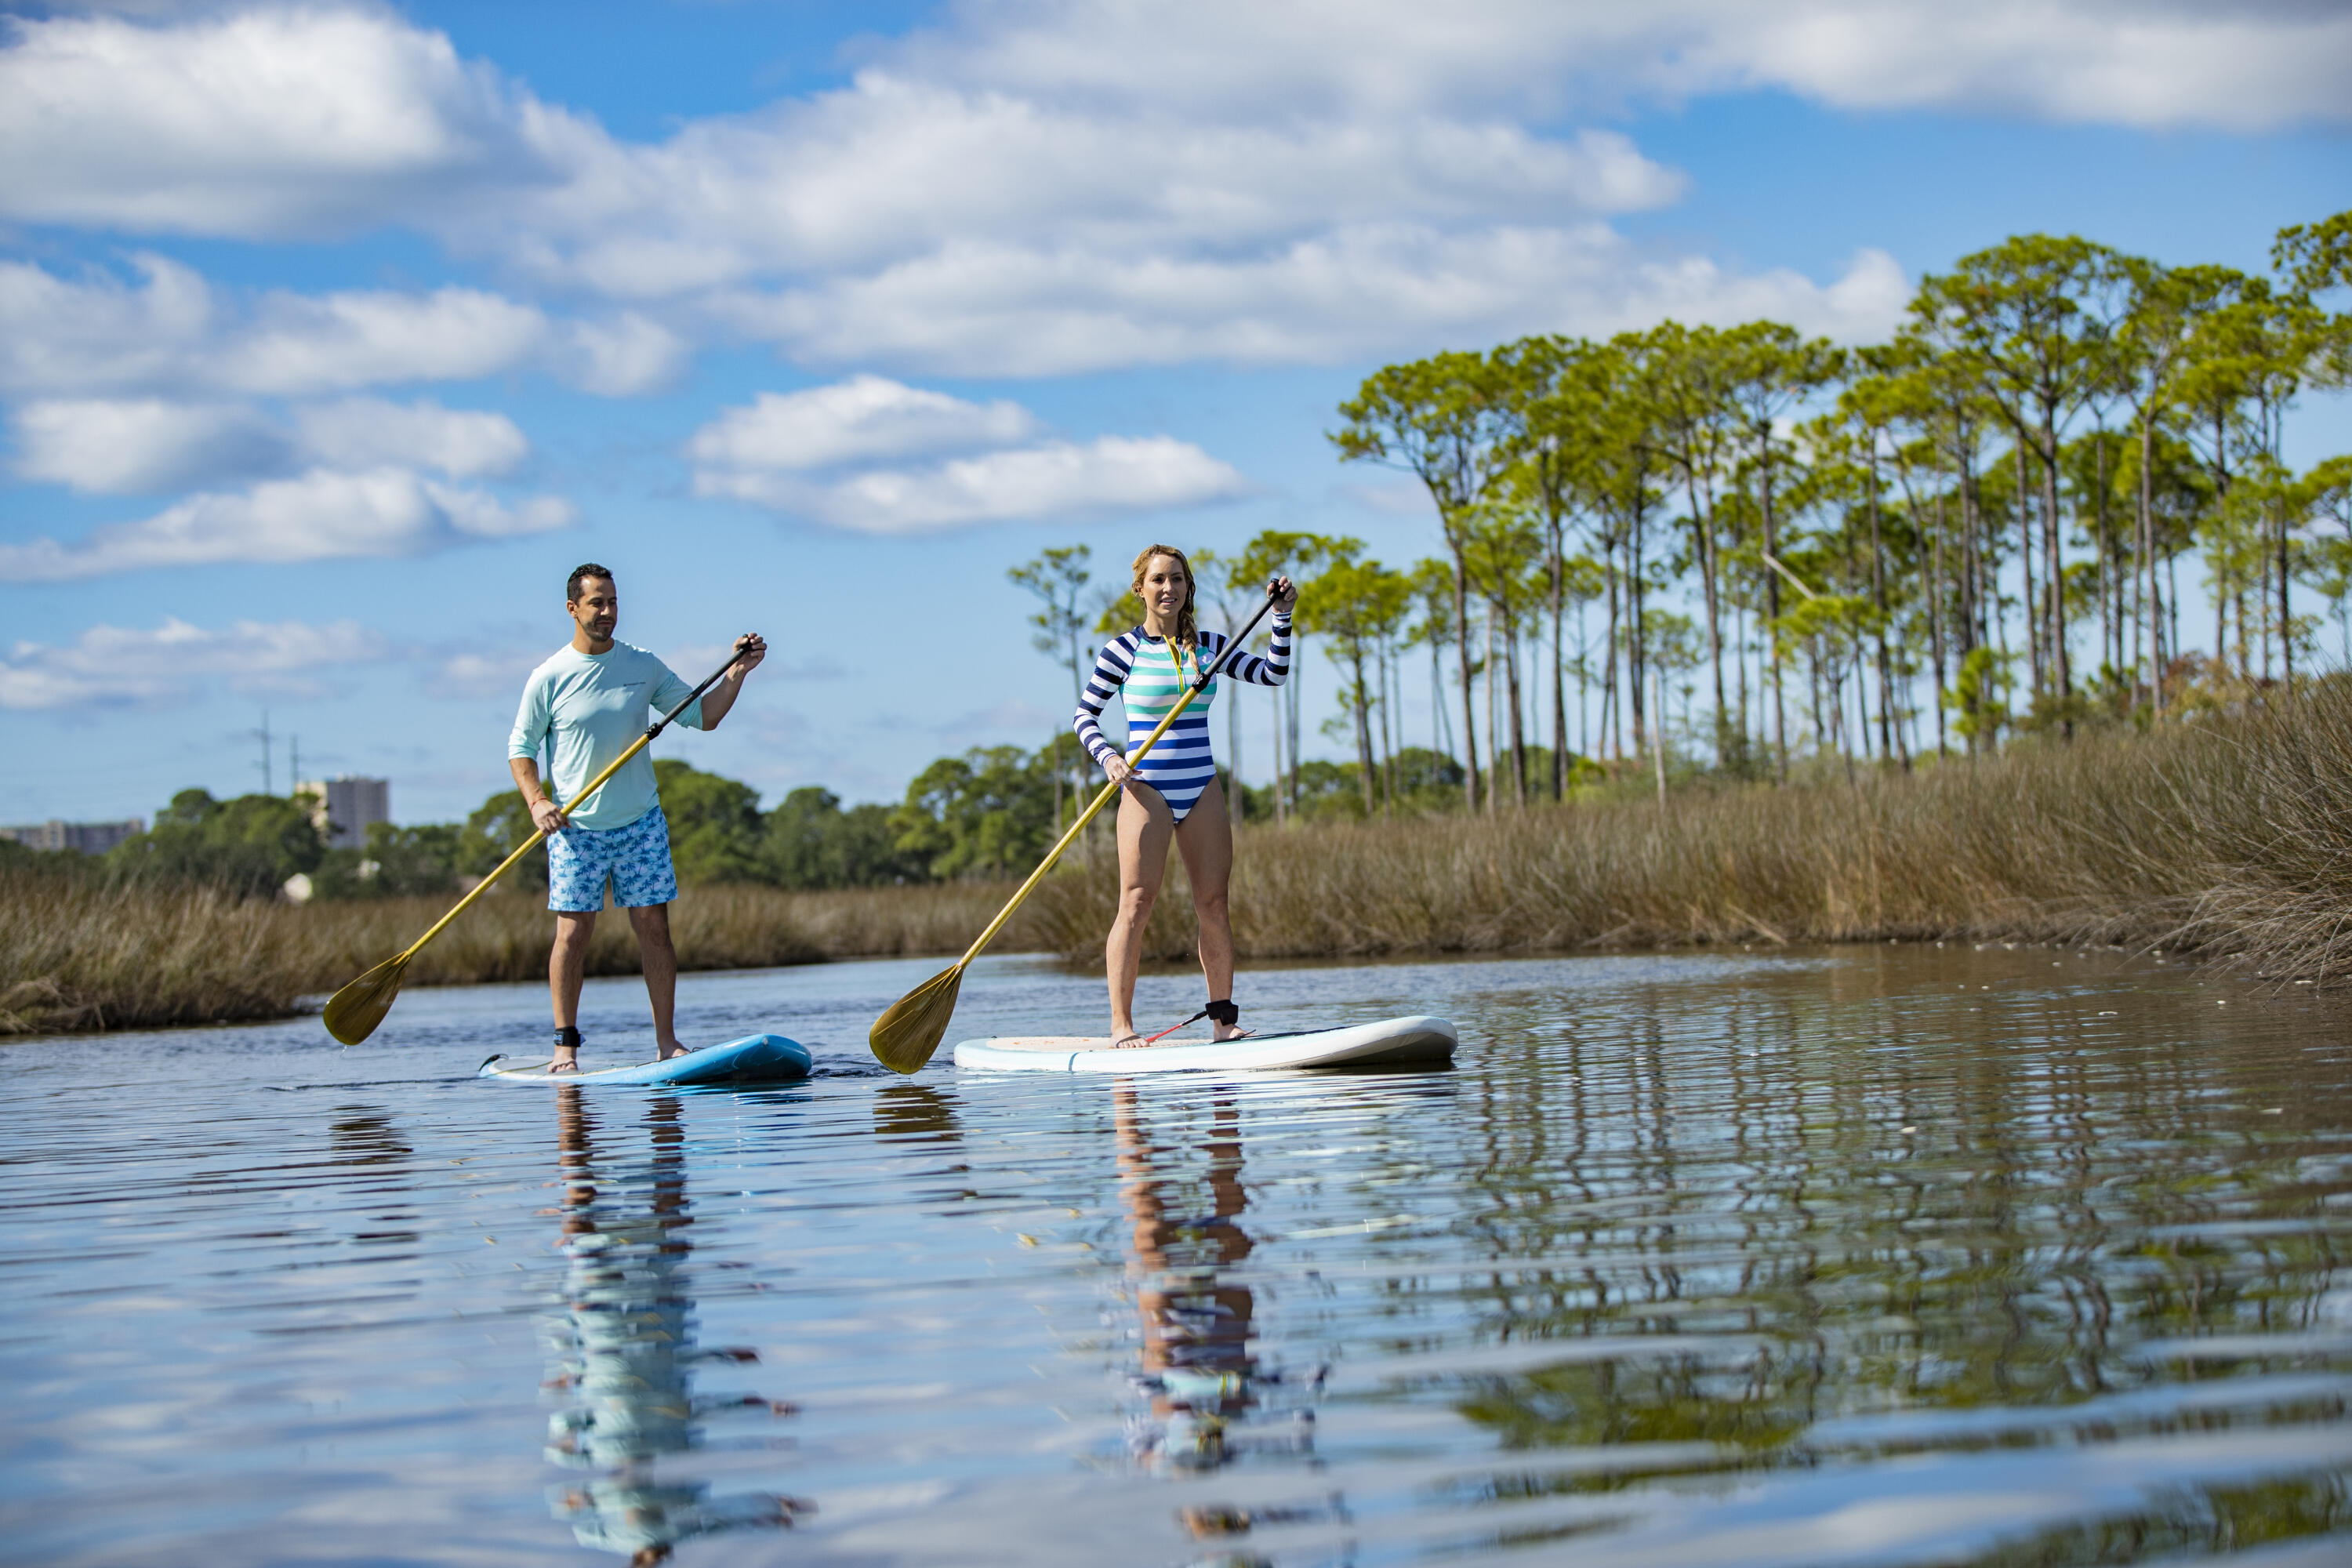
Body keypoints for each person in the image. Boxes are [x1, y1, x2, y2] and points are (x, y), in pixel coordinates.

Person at [509, 563, 764, 1072]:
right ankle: (565, 1046)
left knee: (654, 929)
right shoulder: (549, 676)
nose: (607, 612)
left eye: (613, 602)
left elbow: (703, 716)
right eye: (597, 603)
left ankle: (667, 1042)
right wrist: (538, 801)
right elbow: (521, 747)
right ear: (572, 609)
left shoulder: (642, 665)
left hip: (640, 822)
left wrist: (737, 673)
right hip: (576, 826)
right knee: (572, 933)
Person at [1074, 544, 1294, 1047]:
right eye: (1158, 580)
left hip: (1201, 787)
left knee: (1214, 903)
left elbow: (1272, 674)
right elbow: (1084, 716)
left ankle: (1224, 1023)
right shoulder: (1122, 651)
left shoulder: (1212, 647)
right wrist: (1109, 758)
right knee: (1136, 901)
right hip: (1144, 787)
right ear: (1140, 589)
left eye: (1177, 579)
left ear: (1188, 587)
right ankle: (1121, 1027)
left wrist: (1281, 619)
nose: (1168, 588)